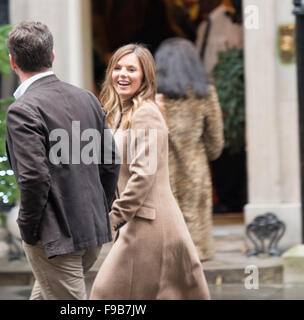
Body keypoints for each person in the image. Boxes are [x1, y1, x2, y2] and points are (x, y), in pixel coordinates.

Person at [5, 21, 120, 300]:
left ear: (12, 62)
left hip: (54, 236)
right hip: (89, 229)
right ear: (52, 56)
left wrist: (28, 229)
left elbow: (34, 177)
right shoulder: (87, 98)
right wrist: (97, 208)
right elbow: (111, 162)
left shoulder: (23, 110)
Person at [90, 44, 210, 300]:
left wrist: (113, 219)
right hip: (137, 222)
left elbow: (143, 175)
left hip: (149, 225)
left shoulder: (145, 113)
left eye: (132, 69)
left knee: (104, 294)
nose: (123, 74)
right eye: (118, 67)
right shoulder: (119, 113)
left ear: (145, 77)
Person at [154, 38, 224, 261]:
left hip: (160, 172)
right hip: (195, 172)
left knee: (164, 240)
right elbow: (215, 142)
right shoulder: (205, 94)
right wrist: (204, 152)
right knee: (195, 246)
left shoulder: (153, 96)